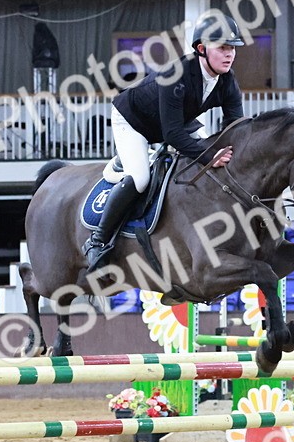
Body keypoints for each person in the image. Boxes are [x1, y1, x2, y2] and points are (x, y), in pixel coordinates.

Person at [83, 14, 246, 271]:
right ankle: (97, 241)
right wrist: (209, 155)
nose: (230, 54)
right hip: (133, 122)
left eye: (233, 48)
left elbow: (235, 127)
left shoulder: (227, 81)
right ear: (201, 49)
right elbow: (172, 137)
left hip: (173, 123)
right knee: (140, 178)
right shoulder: (177, 74)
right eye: (223, 47)